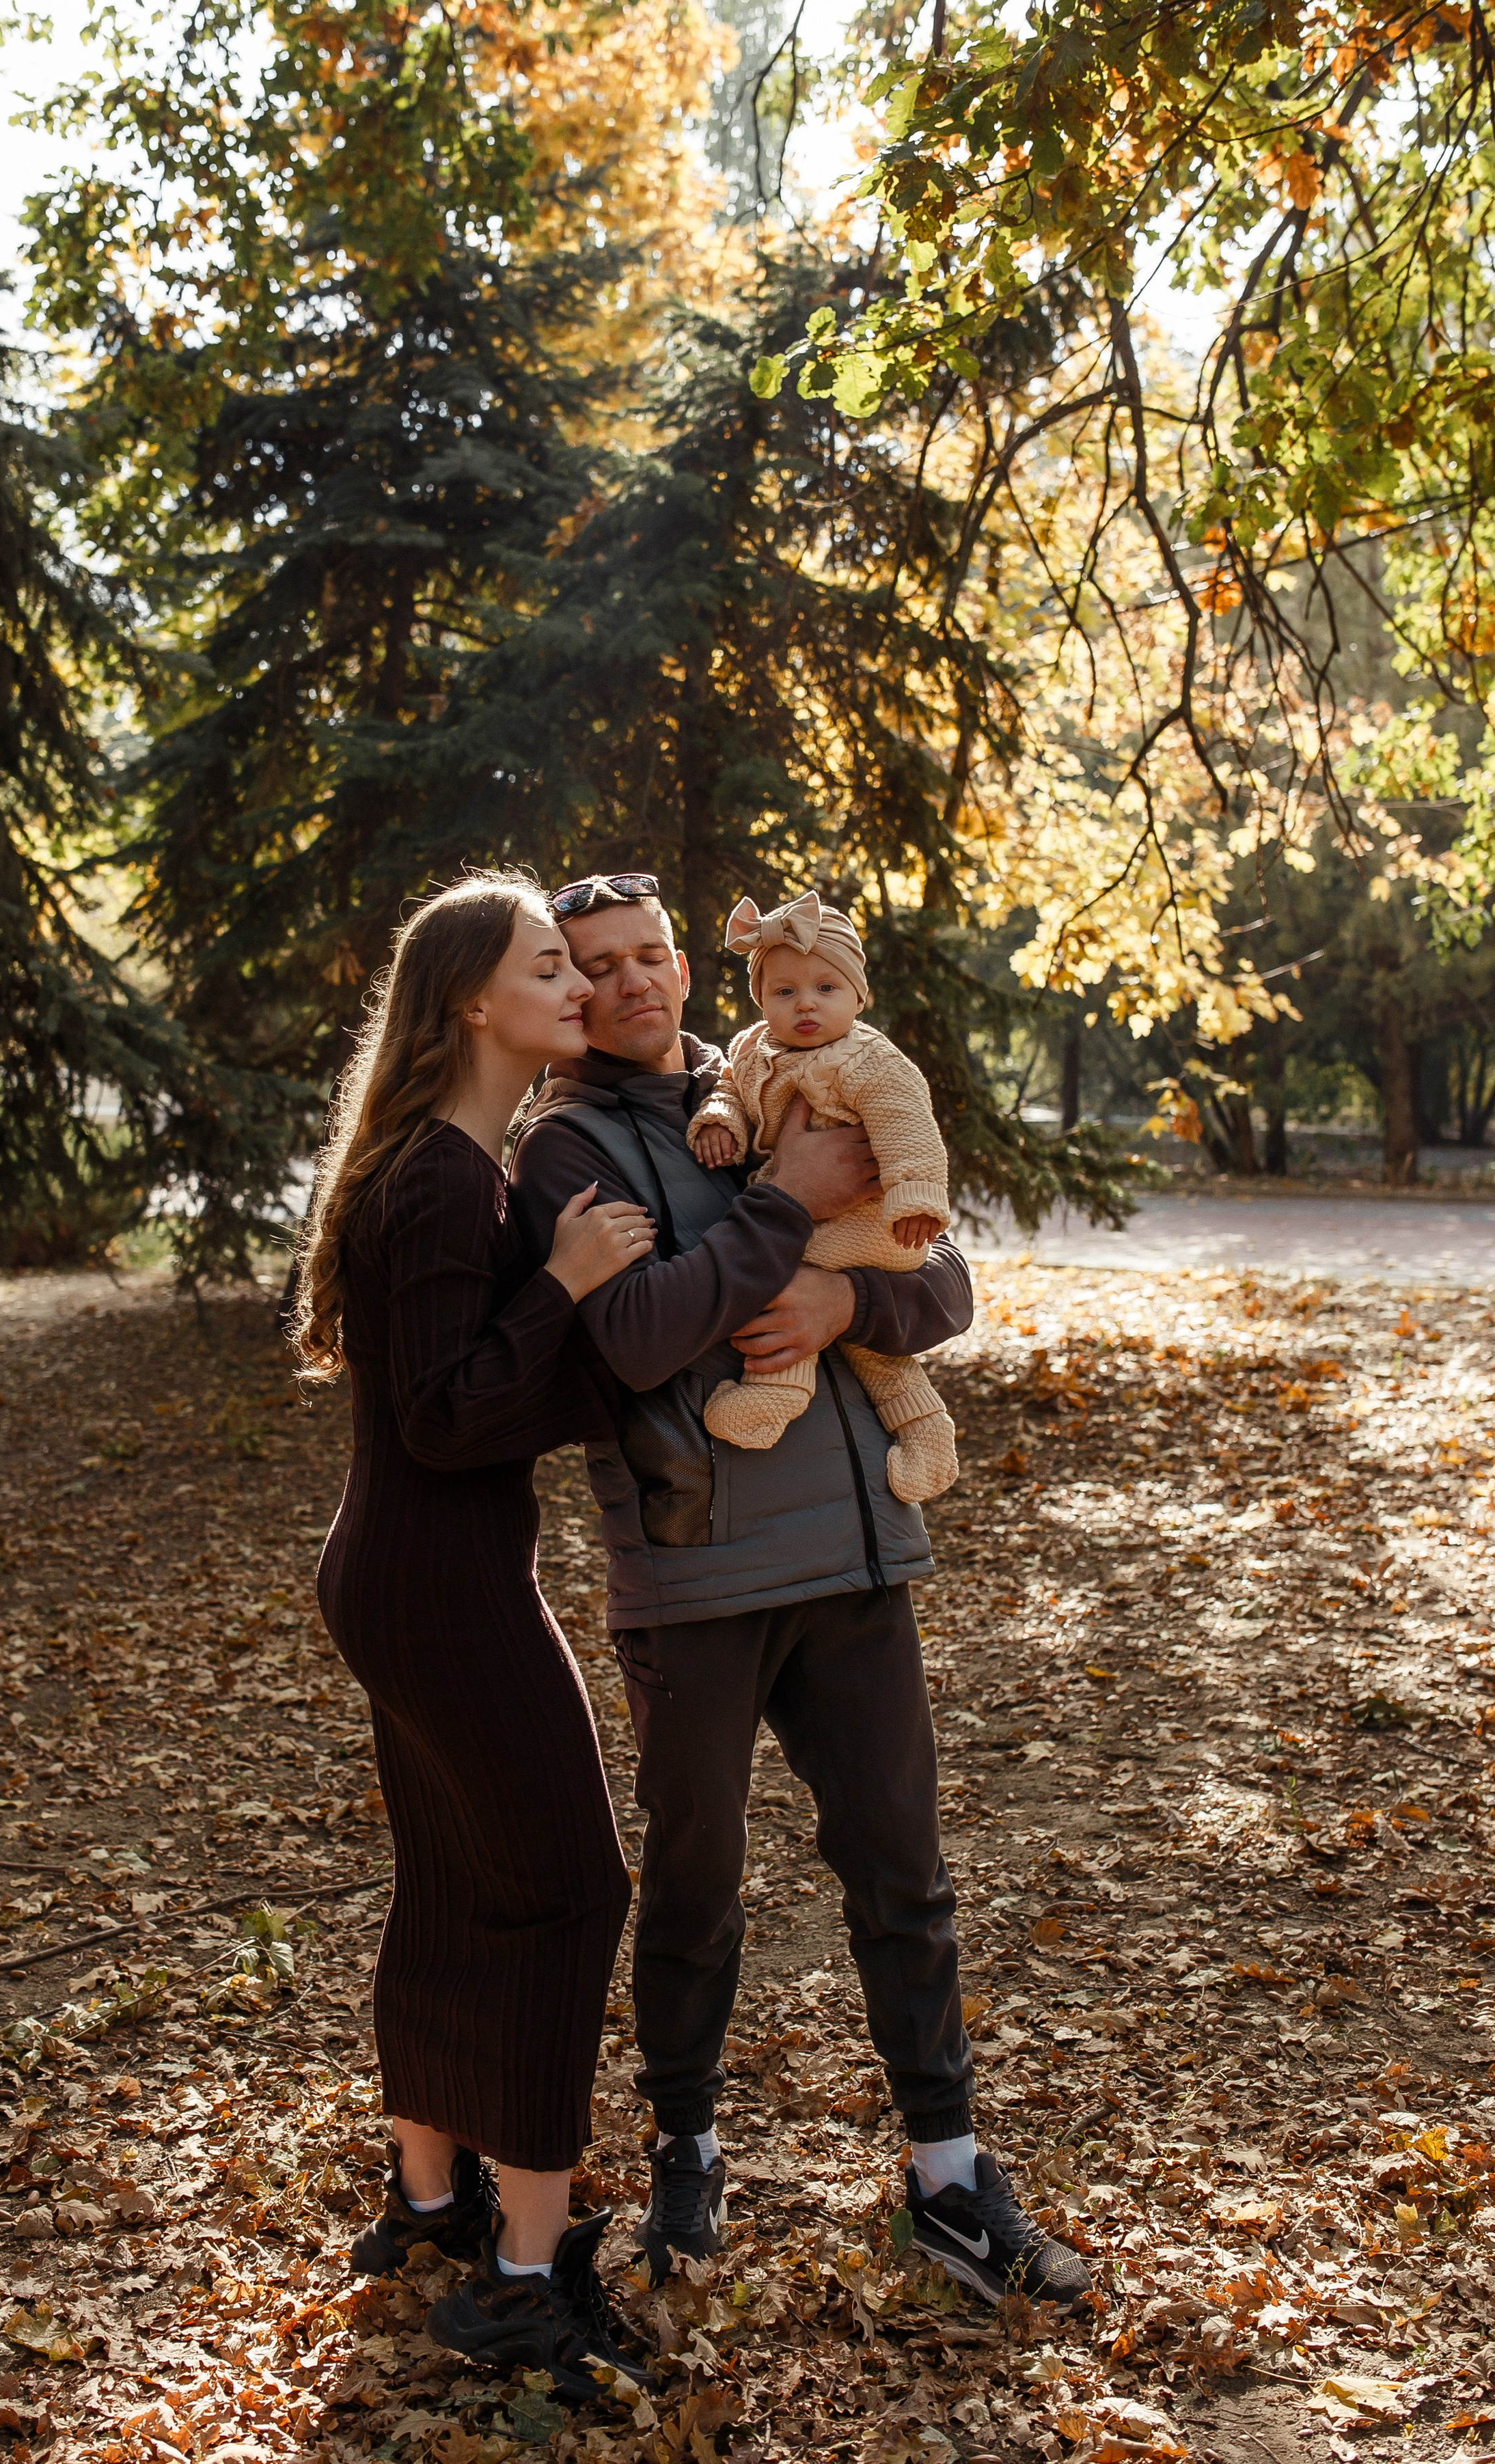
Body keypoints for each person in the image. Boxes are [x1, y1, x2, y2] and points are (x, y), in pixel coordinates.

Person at [507, 872, 1090, 2310]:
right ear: (568, 994)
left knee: (902, 1876)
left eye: (653, 953)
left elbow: (937, 1282)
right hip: (693, 1578)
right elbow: (637, 1340)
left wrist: (845, 1302)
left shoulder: (793, 1068)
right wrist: (780, 1210)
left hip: (852, 1559)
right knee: (695, 1891)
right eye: (600, 967)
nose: (635, 982)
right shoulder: (560, 1149)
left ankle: (949, 2179)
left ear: (685, 966)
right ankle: (685, 2148)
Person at [294, 870, 657, 2399]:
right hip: (438, 1582)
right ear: (469, 1001)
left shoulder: (449, 1165)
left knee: (455, 1880)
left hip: (405, 1572)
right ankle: (519, 2274)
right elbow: (451, 1417)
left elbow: (485, 1393)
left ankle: (429, 2205)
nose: (577, 989)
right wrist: (571, 1283)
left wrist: (596, 1314)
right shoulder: (444, 1179)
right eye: (546, 969)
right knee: (568, 1889)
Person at [689, 886, 959, 1502]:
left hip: (876, 1221)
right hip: (824, 1219)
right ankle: (925, 1431)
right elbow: (731, 1088)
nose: (805, 1004)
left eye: (826, 989)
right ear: (761, 1000)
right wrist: (719, 1119)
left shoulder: (866, 1058)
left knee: (781, 1268)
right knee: (874, 1351)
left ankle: (778, 1389)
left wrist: (915, 1192)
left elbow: (905, 1120)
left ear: (859, 997)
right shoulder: (752, 1049)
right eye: (785, 992)